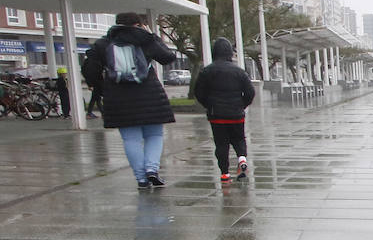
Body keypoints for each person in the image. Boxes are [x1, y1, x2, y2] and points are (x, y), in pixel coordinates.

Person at [80, 11, 178, 190]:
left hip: (118, 98)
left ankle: (141, 178)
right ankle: (152, 169)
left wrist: (104, 87)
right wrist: (151, 36)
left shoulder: (103, 44)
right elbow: (168, 58)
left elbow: (89, 72)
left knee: (130, 139)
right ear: (138, 25)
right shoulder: (145, 40)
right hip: (150, 95)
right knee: (154, 135)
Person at [193, 37, 256, 182]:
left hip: (217, 115)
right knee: (239, 138)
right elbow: (250, 92)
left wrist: (209, 105)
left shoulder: (207, 71)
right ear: (230, 53)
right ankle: (241, 159)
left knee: (221, 144)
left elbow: (199, 92)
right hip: (236, 114)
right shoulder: (239, 72)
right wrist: (242, 105)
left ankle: (224, 173)